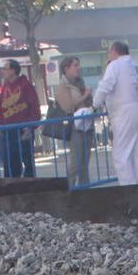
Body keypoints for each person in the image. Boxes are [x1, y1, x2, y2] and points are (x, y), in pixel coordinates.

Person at [94, 40, 138, 185]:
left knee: (121, 157)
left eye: (108, 53)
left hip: (125, 115)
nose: (108, 56)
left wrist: (95, 104)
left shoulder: (115, 65)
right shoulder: (135, 65)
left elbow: (104, 87)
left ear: (115, 51)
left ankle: (129, 191)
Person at [55, 56, 94, 187]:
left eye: (78, 65)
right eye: (75, 65)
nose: (78, 68)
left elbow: (89, 102)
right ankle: (69, 188)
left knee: (85, 162)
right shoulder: (62, 86)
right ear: (66, 68)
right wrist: (84, 96)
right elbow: (67, 106)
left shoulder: (80, 82)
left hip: (87, 125)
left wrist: (90, 99)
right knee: (76, 163)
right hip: (74, 128)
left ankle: (85, 189)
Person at [0, 59, 40, 178]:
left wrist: (30, 126)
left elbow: (34, 106)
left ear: (13, 70)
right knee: (11, 162)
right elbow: (1, 107)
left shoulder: (26, 85)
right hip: (9, 130)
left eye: (5, 69)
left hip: (23, 129)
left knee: (27, 161)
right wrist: (1, 124)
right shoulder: (5, 86)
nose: (2, 71)